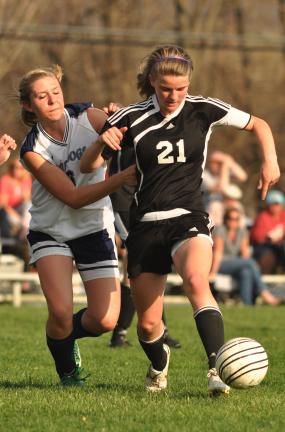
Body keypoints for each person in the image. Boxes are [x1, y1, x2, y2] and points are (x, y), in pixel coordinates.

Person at [80, 45, 280, 395]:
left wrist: (270, 162)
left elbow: (259, 125)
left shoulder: (204, 109)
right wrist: (101, 143)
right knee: (148, 325)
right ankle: (159, 364)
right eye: (165, 89)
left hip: (189, 215)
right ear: (152, 83)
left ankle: (215, 369)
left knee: (195, 280)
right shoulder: (129, 116)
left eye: (181, 88)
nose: (173, 96)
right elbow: (88, 167)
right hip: (145, 224)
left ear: (189, 83)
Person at [19, 65, 136, 386]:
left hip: (92, 228)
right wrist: (121, 179)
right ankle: (68, 373)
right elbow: (72, 197)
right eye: (42, 97)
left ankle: (63, 335)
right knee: (59, 311)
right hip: (51, 231)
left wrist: (120, 119)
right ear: (29, 106)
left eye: (55, 92)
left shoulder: (91, 118)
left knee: (105, 319)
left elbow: (129, 132)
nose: (52, 100)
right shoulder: (32, 149)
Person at [107, 146, 181, 349]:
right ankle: (119, 334)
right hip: (122, 202)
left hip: (143, 203)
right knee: (137, 265)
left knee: (150, 267)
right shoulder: (124, 122)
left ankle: (158, 330)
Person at [210, 207, 281, 305]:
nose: (233, 221)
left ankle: (247, 304)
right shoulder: (220, 230)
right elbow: (218, 253)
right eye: (230, 218)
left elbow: (245, 254)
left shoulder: (242, 232)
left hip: (237, 264)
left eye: (236, 219)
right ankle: (266, 294)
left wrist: (251, 268)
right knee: (250, 263)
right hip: (220, 263)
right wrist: (213, 273)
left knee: (246, 272)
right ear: (225, 219)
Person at [250, 189, 285, 274]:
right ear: (269, 205)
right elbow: (257, 238)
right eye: (274, 204)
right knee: (268, 256)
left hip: (279, 247)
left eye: (279, 204)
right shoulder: (262, 217)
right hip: (263, 247)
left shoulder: (283, 215)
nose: (277, 207)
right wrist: (270, 238)